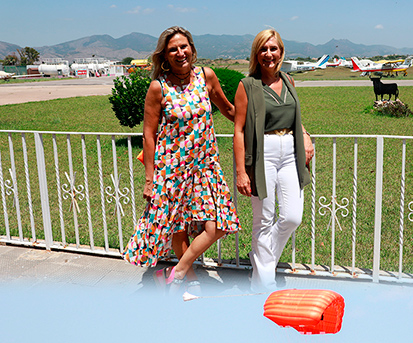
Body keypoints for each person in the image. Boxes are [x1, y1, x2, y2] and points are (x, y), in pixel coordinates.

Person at [124, 26, 239, 297]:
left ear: (192, 49)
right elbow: (149, 134)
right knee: (178, 226)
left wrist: (264, 121)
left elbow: (230, 110)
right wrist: (150, 178)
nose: (180, 52)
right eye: (173, 48)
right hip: (171, 169)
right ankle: (190, 279)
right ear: (165, 54)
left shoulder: (206, 76)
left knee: (217, 226)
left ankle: (174, 272)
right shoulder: (158, 87)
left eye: (184, 46)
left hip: (204, 166)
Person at [233, 29, 314, 290]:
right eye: (263, 49)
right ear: (257, 54)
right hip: (262, 153)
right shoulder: (248, 86)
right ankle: (264, 284)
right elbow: (239, 129)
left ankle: (260, 265)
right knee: (264, 219)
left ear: (281, 51)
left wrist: (305, 135)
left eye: (274, 48)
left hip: (290, 152)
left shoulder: (289, 80)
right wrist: (240, 172)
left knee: (292, 217)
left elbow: (295, 117)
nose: (269, 54)